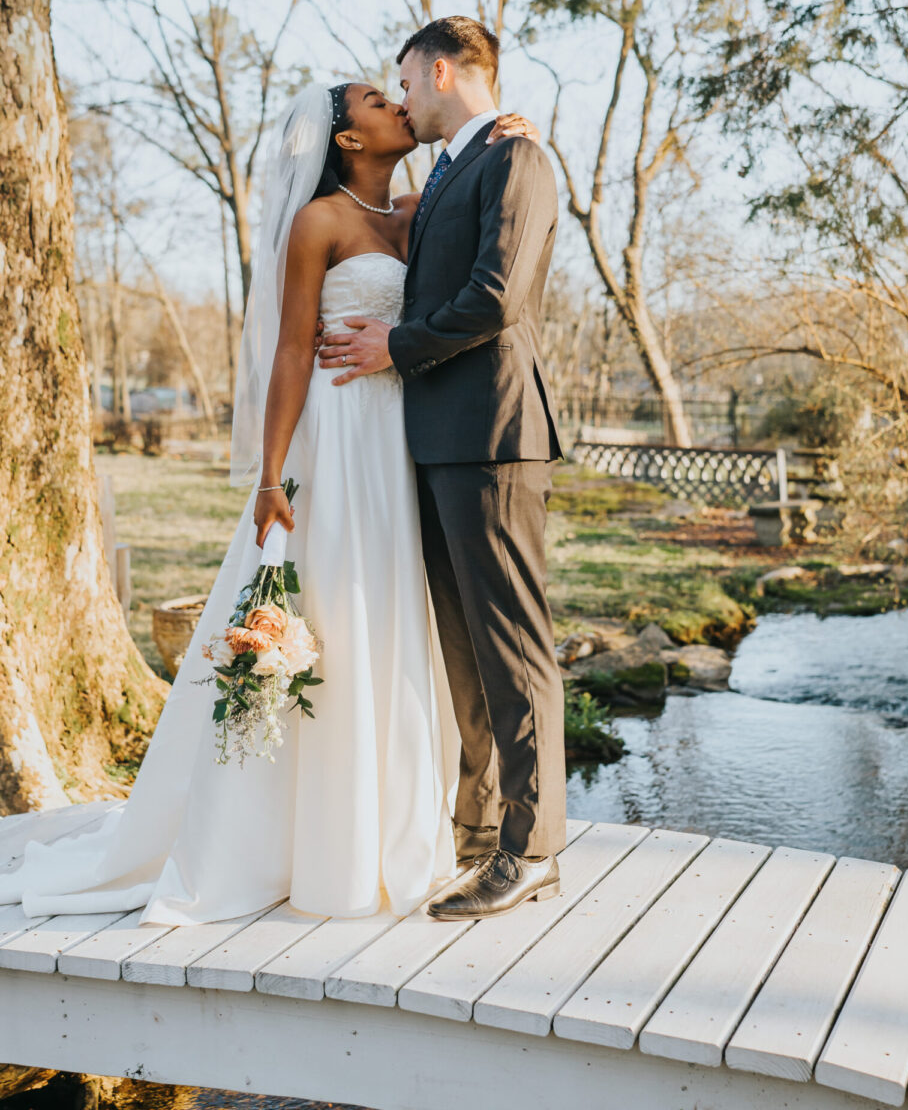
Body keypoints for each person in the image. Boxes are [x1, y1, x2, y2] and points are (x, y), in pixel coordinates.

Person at [0, 80, 538, 925]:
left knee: (393, 619)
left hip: (407, 442)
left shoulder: (422, 207)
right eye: (372, 98)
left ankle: (387, 829)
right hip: (336, 440)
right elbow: (291, 352)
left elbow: (482, 197)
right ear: (347, 139)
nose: (394, 102)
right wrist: (270, 476)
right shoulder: (319, 220)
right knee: (328, 616)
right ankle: (289, 841)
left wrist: (507, 132)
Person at [318, 16, 566, 921]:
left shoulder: (519, 162)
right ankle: (477, 839)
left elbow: (497, 298)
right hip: (434, 444)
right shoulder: (459, 165)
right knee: (464, 659)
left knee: (513, 651)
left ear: (442, 70)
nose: (404, 101)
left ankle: (532, 848)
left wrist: (395, 347)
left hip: (494, 439)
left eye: (407, 85)